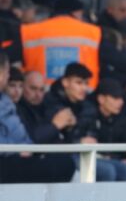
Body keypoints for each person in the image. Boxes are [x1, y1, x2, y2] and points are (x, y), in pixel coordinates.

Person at [0, 52, 75, 184]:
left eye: (42, 89)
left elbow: (25, 139)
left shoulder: (7, 102)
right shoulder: (18, 106)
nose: (38, 94)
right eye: (33, 88)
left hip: (24, 155)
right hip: (9, 158)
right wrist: (55, 126)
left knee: (65, 162)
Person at [20, 0, 103, 88]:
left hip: (40, 94)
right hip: (83, 94)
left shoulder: (28, 31)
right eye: (81, 15)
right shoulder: (93, 32)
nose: (82, 19)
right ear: (75, 13)